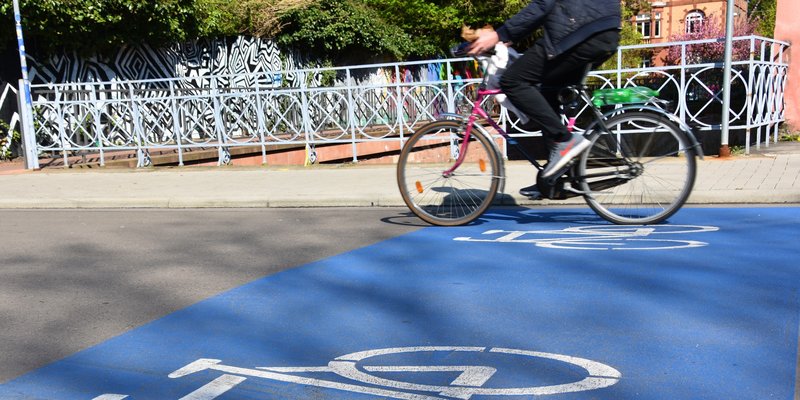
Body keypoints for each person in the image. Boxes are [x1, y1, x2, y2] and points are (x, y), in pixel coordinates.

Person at [467, 0, 621, 196]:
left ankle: (565, 140)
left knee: (513, 81)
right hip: (604, 31)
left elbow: (543, 5)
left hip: (577, 32)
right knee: (548, 90)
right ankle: (555, 177)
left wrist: (500, 34)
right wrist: (508, 37)